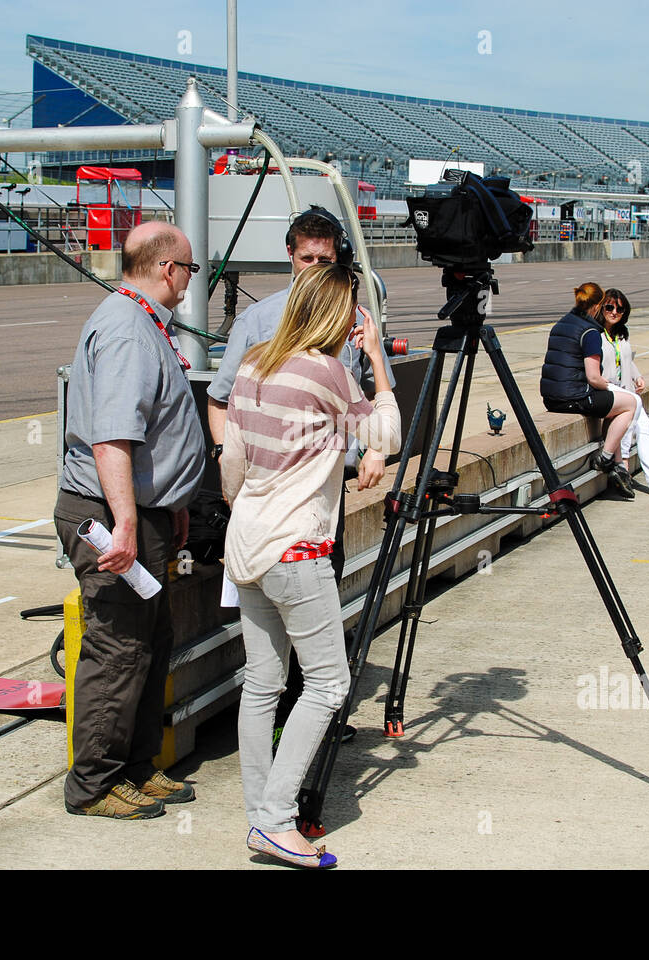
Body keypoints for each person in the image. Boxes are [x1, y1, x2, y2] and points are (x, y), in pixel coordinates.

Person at [220, 263, 401, 869]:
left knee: (263, 684)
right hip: (297, 548)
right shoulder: (326, 372)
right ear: (335, 313)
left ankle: (258, 817)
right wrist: (374, 358)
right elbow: (388, 433)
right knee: (328, 683)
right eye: (352, 309)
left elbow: (232, 461)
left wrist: (249, 504)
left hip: (246, 542)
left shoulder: (254, 364)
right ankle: (274, 820)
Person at [206, 207, 395, 745]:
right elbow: (221, 402)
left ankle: (297, 736)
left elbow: (355, 414)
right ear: (290, 256)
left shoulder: (350, 318)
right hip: (285, 518)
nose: (315, 268)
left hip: (307, 511)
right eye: (307, 258)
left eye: (325, 260)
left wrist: (367, 451)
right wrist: (236, 467)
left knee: (290, 653)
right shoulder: (259, 323)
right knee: (312, 672)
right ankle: (295, 748)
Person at [54, 222, 206, 821]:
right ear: (168, 269)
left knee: (149, 641)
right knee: (117, 648)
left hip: (143, 513)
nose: (191, 281)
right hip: (112, 513)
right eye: (190, 270)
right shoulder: (126, 332)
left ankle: (137, 766)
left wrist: (172, 505)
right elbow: (112, 437)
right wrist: (124, 525)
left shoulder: (141, 324)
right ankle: (94, 783)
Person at [540, 282, 638, 499]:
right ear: (596, 306)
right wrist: (610, 386)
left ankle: (616, 463)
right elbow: (594, 377)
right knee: (628, 404)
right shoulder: (591, 331)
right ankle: (605, 458)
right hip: (574, 397)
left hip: (551, 397)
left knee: (614, 403)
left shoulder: (562, 323)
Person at [599, 289, 649, 496]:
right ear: (601, 308)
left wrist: (637, 376)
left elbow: (626, 359)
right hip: (608, 390)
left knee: (645, 427)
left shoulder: (620, 333)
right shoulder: (596, 334)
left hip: (626, 390)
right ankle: (622, 468)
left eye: (619, 308)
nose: (614, 312)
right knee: (629, 422)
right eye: (609, 307)